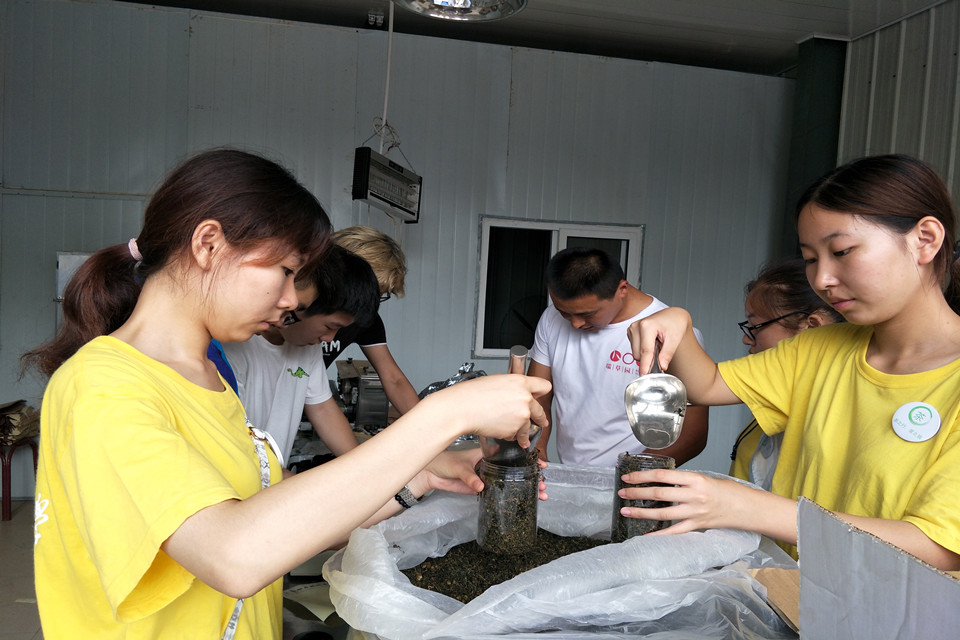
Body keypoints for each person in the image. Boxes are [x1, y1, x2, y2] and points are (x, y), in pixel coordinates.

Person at [21, 148, 550, 639]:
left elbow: (280, 516)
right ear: (208, 244)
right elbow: (234, 554)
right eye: (285, 271)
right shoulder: (104, 386)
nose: (292, 299)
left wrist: (420, 476)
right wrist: (444, 414)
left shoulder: (209, 381)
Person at [624, 154, 960, 570]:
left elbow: (939, 545)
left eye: (842, 251)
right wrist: (678, 323)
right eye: (812, 259)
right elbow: (704, 385)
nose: (822, 280)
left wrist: (748, 507)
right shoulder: (819, 348)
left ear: (925, 239)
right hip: (788, 595)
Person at [528, 247, 709, 467]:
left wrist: (633, 473)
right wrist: (536, 451)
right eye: (564, 312)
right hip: (572, 469)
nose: (575, 323)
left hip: (637, 477)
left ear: (621, 290)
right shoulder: (551, 319)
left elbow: (694, 433)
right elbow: (538, 396)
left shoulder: (671, 332)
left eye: (587, 314)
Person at [220, 245, 381, 470]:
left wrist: (365, 469)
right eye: (329, 326)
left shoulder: (307, 347)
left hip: (273, 480)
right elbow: (232, 445)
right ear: (302, 303)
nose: (329, 338)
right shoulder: (234, 347)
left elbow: (323, 410)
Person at [729, 257, 844, 489]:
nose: (746, 339)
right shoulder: (770, 402)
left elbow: (704, 386)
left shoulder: (836, 414)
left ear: (811, 328)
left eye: (755, 327)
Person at [321, 226, 420, 414]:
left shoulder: (366, 318)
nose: (368, 304)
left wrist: (428, 426)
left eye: (378, 296)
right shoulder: (291, 309)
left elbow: (394, 379)